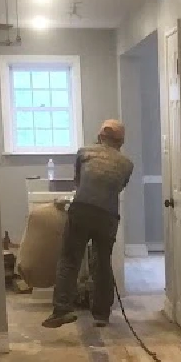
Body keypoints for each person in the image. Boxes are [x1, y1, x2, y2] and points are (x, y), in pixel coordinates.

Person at [43, 119, 133, 329]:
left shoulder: (84, 153)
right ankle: (101, 314)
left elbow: (79, 182)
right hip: (107, 215)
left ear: (100, 136)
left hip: (82, 209)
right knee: (102, 262)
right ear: (121, 141)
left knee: (69, 259)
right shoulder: (127, 163)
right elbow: (119, 187)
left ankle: (61, 310)